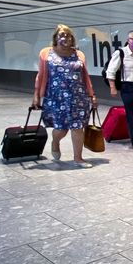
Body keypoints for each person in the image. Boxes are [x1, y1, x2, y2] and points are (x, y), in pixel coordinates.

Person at [32, 24, 97, 168]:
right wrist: (36, 95)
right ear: (55, 38)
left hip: (78, 97)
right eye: (61, 35)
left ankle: (78, 158)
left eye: (68, 35)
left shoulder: (79, 54)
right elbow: (40, 75)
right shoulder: (46, 53)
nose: (65, 37)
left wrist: (92, 95)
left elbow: (85, 76)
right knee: (61, 129)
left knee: (77, 127)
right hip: (56, 97)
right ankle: (55, 142)